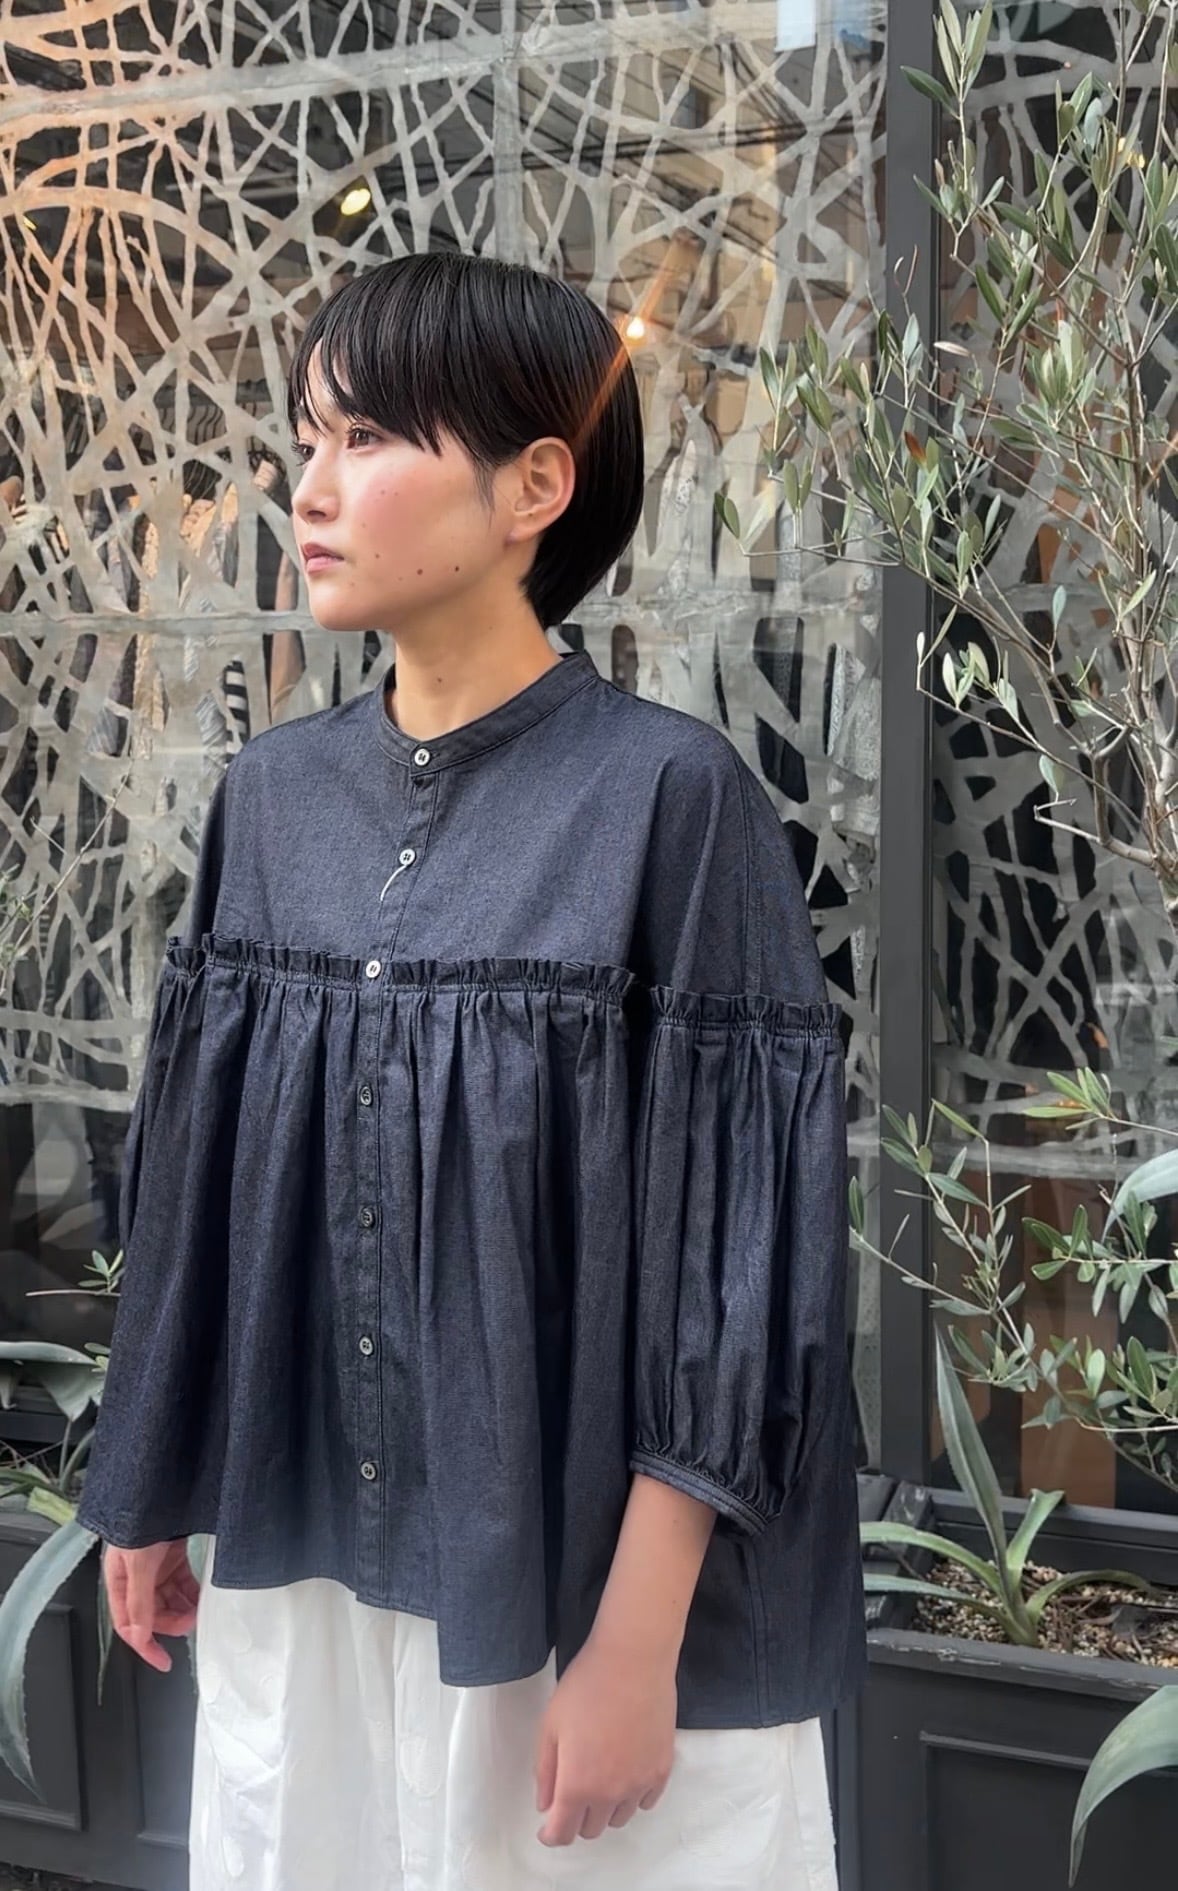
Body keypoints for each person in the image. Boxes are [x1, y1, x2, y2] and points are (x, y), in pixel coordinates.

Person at [77, 251, 865, 1891]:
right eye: (307, 435)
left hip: (573, 1594)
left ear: (533, 487)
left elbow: (736, 1263)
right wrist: (142, 1486)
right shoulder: (272, 805)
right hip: (310, 1580)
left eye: (365, 439)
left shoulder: (671, 805)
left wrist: (635, 1646)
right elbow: (199, 1181)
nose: (308, 489)